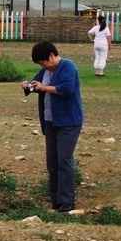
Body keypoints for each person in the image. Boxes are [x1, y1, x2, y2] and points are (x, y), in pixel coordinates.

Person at [21, 41, 84, 212]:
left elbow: (66, 89)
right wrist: (29, 86)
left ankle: (67, 202)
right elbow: (38, 85)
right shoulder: (45, 71)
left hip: (68, 122)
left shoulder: (67, 66)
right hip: (51, 121)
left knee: (64, 160)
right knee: (52, 162)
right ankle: (55, 200)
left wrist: (44, 87)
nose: (44, 67)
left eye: (44, 62)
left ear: (51, 55)